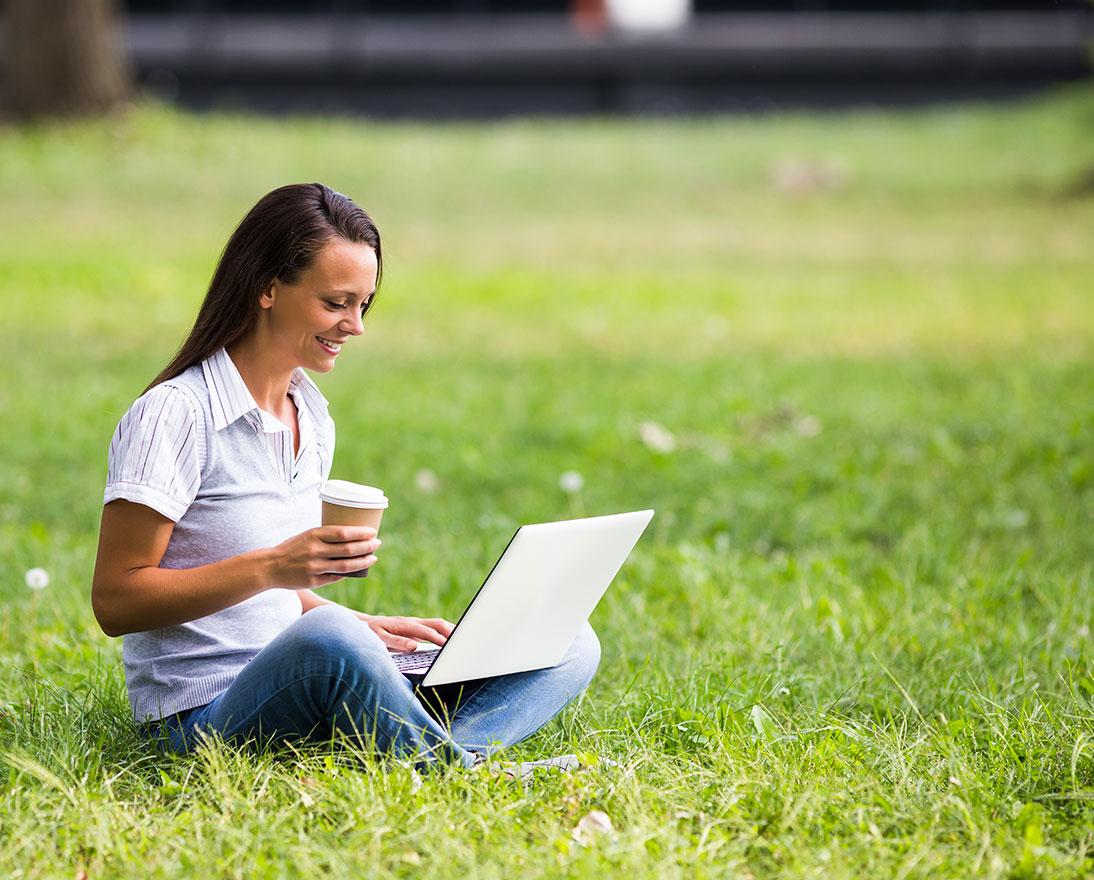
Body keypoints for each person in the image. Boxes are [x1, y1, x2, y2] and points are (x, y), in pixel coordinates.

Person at [91, 183, 601, 768]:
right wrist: (283, 576)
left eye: (364, 305)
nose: (354, 326)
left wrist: (365, 627)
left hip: (312, 676)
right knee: (330, 639)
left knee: (565, 640)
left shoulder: (311, 413)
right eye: (336, 303)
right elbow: (116, 599)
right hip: (201, 718)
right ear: (267, 287)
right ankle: (464, 770)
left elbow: (264, 598)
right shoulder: (174, 415)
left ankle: (432, 752)